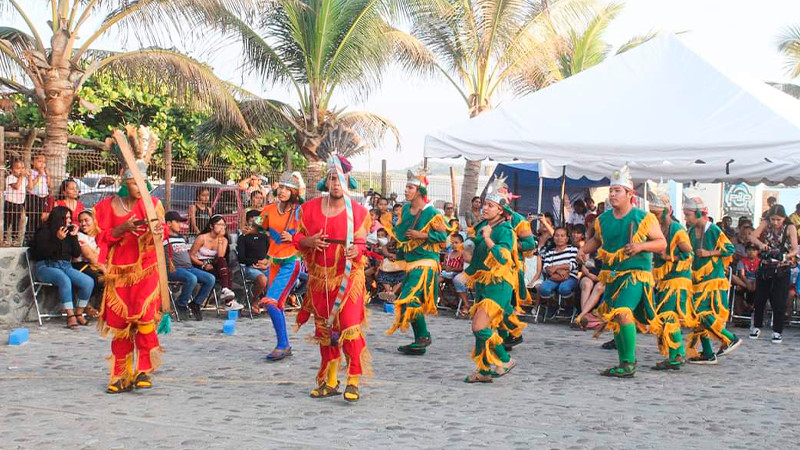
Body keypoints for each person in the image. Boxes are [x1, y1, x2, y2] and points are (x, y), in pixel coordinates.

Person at [94, 132, 168, 393]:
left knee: (145, 321)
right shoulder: (104, 207)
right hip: (118, 274)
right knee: (121, 328)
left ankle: (144, 370)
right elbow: (101, 238)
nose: (142, 188)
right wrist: (121, 229)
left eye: (144, 183)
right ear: (125, 183)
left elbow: (163, 232)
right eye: (136, 183)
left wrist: (157, 231)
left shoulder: (153, 204)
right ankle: (119, 374)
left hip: (147, 270)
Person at [577, 165, 665, 378]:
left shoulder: (643, 217)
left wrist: (640, 246)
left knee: (623, 311)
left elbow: (661, 243)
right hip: (612, 275)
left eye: (618, 191)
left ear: (629, 194)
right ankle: (624, 362)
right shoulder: (603, 219)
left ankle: (629, 362)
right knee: (616, 317)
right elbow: (597, 240)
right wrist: (583, 250)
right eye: (611, 190)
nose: (613, 194)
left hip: (635, 274)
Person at [294, 155, 370, 402]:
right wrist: (309, 241)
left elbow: (361, 243)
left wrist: (356, 250)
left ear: (349, 182)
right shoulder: (309, 209)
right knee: (325, 331)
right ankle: (331, 380)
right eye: (333, 178)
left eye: (341, 179)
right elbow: (297, 240)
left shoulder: (358, 212)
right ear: (326, 182)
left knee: (349, 327)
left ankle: (354, 380)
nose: (336, 183)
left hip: (348, 279)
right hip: (319, 279)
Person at [382, 169, 450, 355]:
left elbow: (443, 237)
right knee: (405, 303)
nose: (406, 190)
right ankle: (420, 339)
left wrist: (423, 235)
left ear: (420, 191)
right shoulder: (405, 209)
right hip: (411, 263)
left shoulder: (432, 213)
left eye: (410, 187)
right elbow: (402, 233)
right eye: (406, 186)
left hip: (426, 262)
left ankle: (423, 336)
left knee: (409, 299)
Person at [462, 177, 518, 383]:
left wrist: (487, 238)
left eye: (489, 205)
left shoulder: (505, 230)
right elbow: (472, 251)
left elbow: (503, 257)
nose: (484, 208)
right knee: (480, 329)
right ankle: (484, 370)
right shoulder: (483, 225)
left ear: (501, 210)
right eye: (484, 204)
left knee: (479, 327)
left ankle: (505, 359)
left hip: (499, 285)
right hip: (484, 283)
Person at [682, 188, 742, 364]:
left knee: (699, 313)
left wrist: (709, 253)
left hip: (712, 281)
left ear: (698, 213)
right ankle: (708, 353)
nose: (686, 218)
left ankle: (729, 338)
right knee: (697, 316)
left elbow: (730, 249)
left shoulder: (713, 229)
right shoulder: (691, 232)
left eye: (688, 214)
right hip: (697, 281)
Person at [646, 181, 694, 370]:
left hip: (677, 280)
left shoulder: (677, 229)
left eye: (656, 213)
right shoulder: (656, 229)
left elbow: (689, 254)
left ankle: (677, 354)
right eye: (652, 214)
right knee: (666, 315)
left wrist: (669, 257)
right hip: (663, 280)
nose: (654, 217)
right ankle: (676, 353)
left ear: (667, 210)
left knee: (669, 315)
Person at [257, 171, 304, 361]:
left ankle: (283, 344)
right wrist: (251, 224)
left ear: (293, 192)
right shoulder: (268, 208)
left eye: (287, 188)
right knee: (276, 304)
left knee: (270, 301)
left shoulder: (299, 210)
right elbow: (259, 226)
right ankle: (283, 344)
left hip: (291, 261)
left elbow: (307, 233)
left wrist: (294, 238)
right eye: (281, 187)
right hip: (273, 261)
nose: (283, 191)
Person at [31, 206, 94, 329]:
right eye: (67, 218)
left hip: (65, 266)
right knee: (64, 279)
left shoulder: (68, 233)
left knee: (88, 282)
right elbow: (40, 254)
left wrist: (74, 237)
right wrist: (57, 240)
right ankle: (70, 316)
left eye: (70, 218)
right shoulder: (44, 232)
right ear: (59, 218)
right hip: (46, 266)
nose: (70, 221)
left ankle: (79, 313)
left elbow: (76, 254)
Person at [749, 204, 798, 344]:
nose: (775, 222)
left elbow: (795, 249)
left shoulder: (790, 227)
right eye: (773, 219)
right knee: (760, 299)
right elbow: (752, 236)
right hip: (766, 266)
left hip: (782, 267)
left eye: (778, 219)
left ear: (784, 218)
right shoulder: (765, 223)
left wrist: (786, 256)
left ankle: (777, 331)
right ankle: (757, 326)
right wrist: (761, 244)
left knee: (779, 301)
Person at [165, 211, 215, 321]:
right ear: (168, 223)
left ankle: (196, 303)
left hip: (188, 268)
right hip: (173, 269)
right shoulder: (163, 237)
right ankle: (181, 304)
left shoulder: (180, 237)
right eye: (177, 222)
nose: (180, 224)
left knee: (210, 279)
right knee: (192, 279)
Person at [190, 215, 242, 311]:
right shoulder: (202, 238)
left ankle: (226, 291)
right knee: (227, 271)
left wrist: (220, 238)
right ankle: (228, 302)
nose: (222, 227)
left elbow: (220, 256)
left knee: (227, 269)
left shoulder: (224, 239)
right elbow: (191, 255)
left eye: (223, 225)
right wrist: (203, 265)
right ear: (211, 226)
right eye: (219, 224)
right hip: (199, 264)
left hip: (214, 265)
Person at [73, 210, 106, 316]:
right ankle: (84, 304)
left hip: (96, 265)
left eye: (86, 220)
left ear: (94, 220)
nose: (83, 224)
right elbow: (90, 257)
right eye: (80, 221)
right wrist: (105, 269)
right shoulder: (80, 236)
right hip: (80, 265)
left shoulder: (99, 236)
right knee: (100, 278)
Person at [538, 227, 579, 310]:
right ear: (553, 238)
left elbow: (573, 264)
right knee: (543, 288)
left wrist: (556, 267)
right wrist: (560, 271)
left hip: (569, 277)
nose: (559, 238)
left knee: (564, 288)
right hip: (554, 278)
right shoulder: (550, 252)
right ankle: (553, 304)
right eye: (557, 236)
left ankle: (569, 306)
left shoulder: (572, 249)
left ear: (567, 238)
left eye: (562, 236)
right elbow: (546, 268)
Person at [26, 153, 52, 237]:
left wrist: (47, 175)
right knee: (33, 217)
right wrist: (39, 175)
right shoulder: (31, 172)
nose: (42, 164)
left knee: (42, 218)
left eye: (44, 162)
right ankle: (30, 235)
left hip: (44, 197)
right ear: (33, 162)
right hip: (34, 197)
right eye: (39, 161)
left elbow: (50, 185)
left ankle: (40, 235)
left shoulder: (45, 173)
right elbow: (30, 186)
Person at [731, 243, 759, 316]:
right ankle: (739, 315)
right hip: (744, 282)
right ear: (746, 251)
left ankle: (753, 310)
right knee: (733, 277)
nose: (751, 252)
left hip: (756, 283)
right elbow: (742, 275)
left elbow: (759, 275)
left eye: (754, 250)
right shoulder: (742, 261)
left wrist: (753, 285)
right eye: (749, 250)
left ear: (757, 252)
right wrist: (748, 284)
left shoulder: (760, 262)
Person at [4, 159, 27, 245]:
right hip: (10, 203)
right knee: (7, 221)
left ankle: (14, 239)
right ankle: (5, 238)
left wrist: (29, 176)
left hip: (19, 204)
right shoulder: (10, 178)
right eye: (18, 168)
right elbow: (16, 186)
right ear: (12, 170)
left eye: (22, 168)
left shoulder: (24, 179)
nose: (21, 170)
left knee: (16, 222)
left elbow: (30, 187)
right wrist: (21, 177)